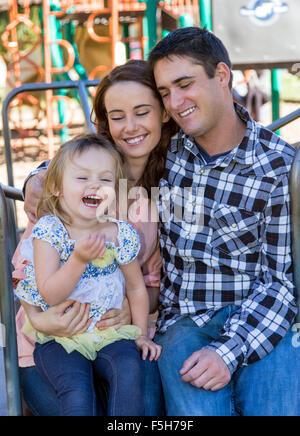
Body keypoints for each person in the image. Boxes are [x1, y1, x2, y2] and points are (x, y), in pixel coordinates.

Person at [147, 26, 300, 416]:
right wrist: (39, 175)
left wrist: (228, 351)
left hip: (259, 315)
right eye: (165, 92)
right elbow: (93, 152)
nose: (175, 103)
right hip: (185, 318)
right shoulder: (164, 147)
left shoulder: (278, 165)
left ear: (222, 75)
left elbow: (278, 282)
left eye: (184, 84)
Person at [12, 59, 176, 416]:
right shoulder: (68, 185)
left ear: (164, 113)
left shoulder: (161, 188)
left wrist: (132, 317)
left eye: (142, 112)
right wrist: (40, 320)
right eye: (117, 116)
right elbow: (24, 273)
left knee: (140, 407)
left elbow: (149, 280)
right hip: (49, 334)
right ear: (103, 121)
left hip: (116, 334)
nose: (130, 126)